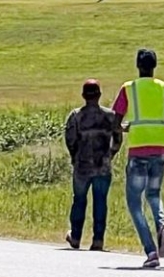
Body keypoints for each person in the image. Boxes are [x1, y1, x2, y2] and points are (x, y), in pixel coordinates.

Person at [113, 49, 164, 268]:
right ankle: (162, 226)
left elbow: (115, 120)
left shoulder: (129, 89)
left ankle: (151, 250)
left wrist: (125, 129)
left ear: (138, 65)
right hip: (162, 148)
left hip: (138, 149)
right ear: (155, 66)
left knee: (135, 202)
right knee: (154, 194)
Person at [64, 79, 122, 251]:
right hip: (103, 166)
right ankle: (98, 240)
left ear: (83, 95)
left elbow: (70, 140)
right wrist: (110, 154)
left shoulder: (75, 116)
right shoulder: (110, 116)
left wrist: (75, 156)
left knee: (79, 200)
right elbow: (118, 139)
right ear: (99, 95)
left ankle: (75, 236)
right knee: (100, 202)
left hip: (82, 166)